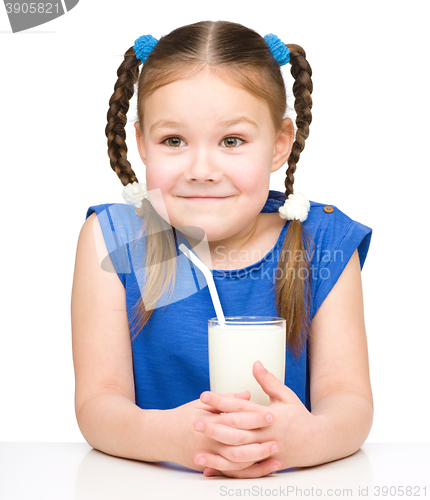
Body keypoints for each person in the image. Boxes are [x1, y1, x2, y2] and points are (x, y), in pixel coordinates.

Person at [71, 20, 373, 479]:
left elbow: (349, 402)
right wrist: (173, 436)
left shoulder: (321, 242)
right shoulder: (120, 240)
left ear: (279, 145)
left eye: (232, 141)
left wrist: (301, 439)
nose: (202, 169)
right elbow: (98, 403)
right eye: (174, 140)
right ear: (142, 145)